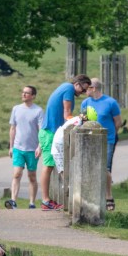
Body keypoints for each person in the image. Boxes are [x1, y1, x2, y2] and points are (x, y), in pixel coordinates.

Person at [38, 74, 92, 211]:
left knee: (52, 166)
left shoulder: (64, 87)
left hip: (50, 132)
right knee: (48, 166)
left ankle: (48, 199)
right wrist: (78, 120)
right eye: (83, 89)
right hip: (50, 132)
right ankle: (45, 201)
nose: (83, 93)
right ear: (77, 84)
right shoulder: (68, 89)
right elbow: (66, 114)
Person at [80, 78, 122, 211]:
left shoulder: (110, 102)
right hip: (90, 140)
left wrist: (112, 135)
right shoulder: (85, 103)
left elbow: (118, 122)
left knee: (105, 167)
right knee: (91, 167)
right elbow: (83, 121)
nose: (84, 90)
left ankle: (108, 196)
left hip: (107, 140)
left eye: (87, 88)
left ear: (94, 88)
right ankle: (94, 197)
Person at [7, 85, 43, 209]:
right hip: (18, 147)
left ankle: (32, 202)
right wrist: (11, 146)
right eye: (23, 92)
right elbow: (12, 128)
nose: (24, 94)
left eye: (27, 93)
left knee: (32, 176)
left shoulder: (38, 111)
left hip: (32, 149)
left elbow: (41, 130)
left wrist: (40, 146)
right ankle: (13, 201)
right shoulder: (16, 109)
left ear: (33, 96)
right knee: (17, 174)